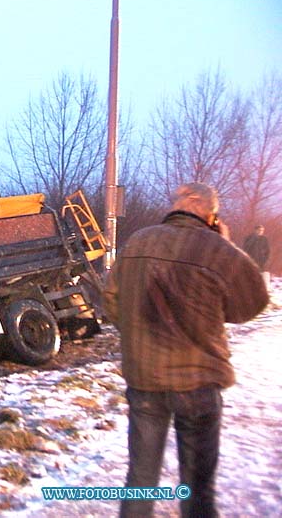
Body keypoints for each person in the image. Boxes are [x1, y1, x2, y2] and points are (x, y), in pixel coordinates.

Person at [103, 183, 269, 518]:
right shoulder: (216, 248)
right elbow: (250, 304)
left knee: (140, 481)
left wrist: (140, 333)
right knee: (197, 488)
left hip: (145, 380)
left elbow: (111, 302)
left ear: (176, 206)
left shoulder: (137, 241)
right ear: (210, 213)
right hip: (198, 381)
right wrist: (224, 243)